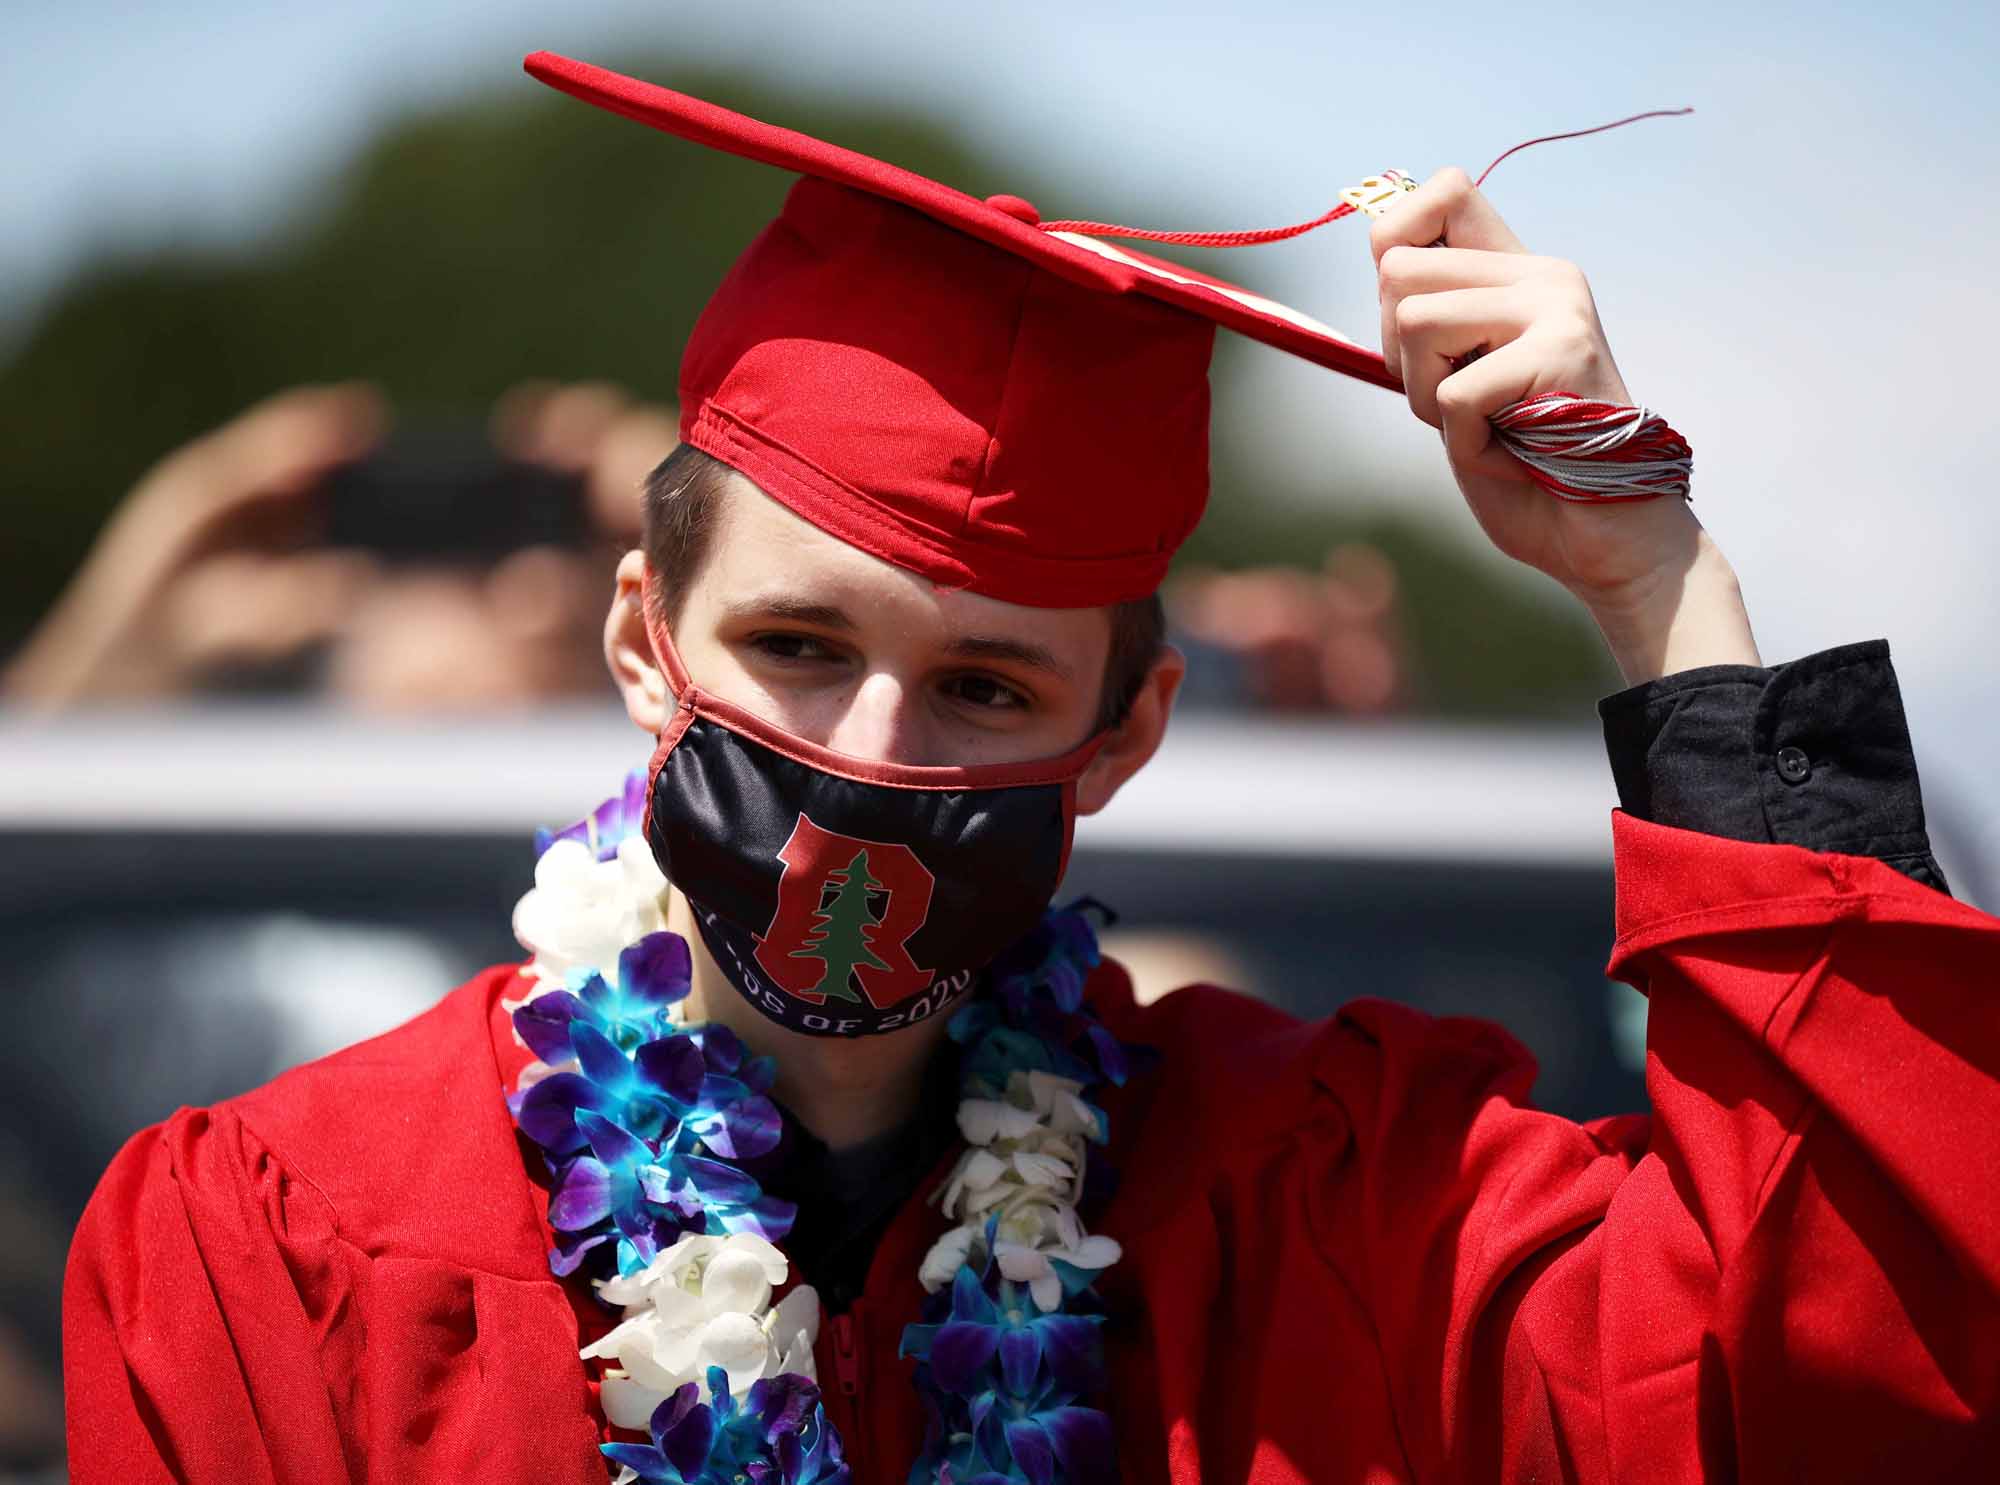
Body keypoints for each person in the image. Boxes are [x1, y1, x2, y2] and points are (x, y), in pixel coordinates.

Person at [61, 52, 1997, 1485]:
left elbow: (1857, 1365)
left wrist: (1654, 576)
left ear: (1125, 731)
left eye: (986, 685)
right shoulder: (279, 1226)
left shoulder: (1332, 1201)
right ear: (646, 639)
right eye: (797, 647)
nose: (871, 755)